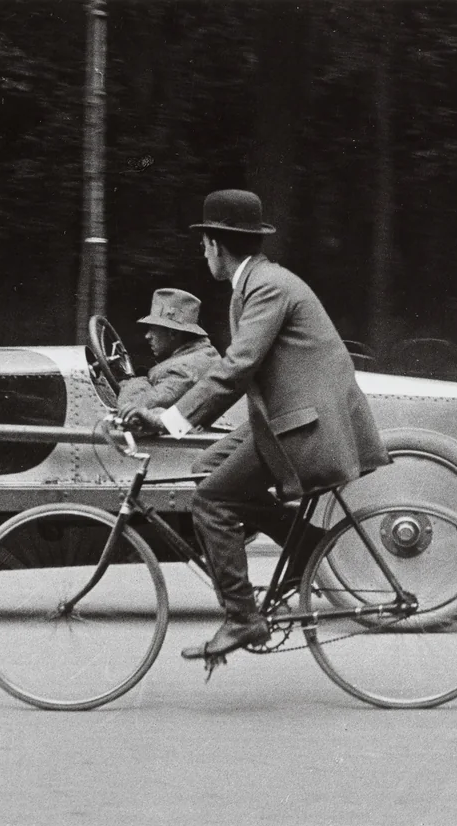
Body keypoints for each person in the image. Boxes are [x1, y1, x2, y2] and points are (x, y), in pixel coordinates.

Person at [125, 189, 390, 660]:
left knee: (210, 501)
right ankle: (304, 544)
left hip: (304, 427)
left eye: (203, 244)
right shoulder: (256, 284)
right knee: (207, 470)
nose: (202, 253)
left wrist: (171, 420)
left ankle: (243, 619)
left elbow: (237, 367)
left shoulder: (267, 287)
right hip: (288, 418)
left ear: (215, 245)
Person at [116, 288, 220, 419]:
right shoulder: (202, 355)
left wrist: (134, 382)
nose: (147, 336)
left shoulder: (183, 369)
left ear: (173, 333)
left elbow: (131, 410)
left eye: (153, 329)